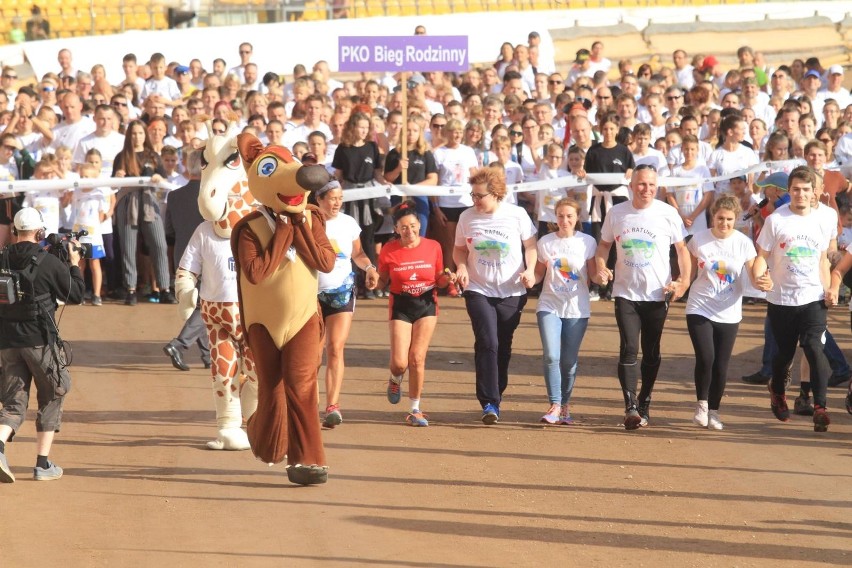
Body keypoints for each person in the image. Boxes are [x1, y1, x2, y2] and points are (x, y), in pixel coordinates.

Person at [593, 165, 690, 430]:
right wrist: (601, 267)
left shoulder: (668, 214)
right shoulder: (617, 213)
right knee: (628, 348)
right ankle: (630, 406)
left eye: (651, 185)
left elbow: (682, 251)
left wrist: (683, 281)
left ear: (657, 186)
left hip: (658, 295)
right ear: (631, 185)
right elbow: (603, 247)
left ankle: (645, 399)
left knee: (652, 351)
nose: (646, 189)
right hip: (626, 293)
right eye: (641, 184)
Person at [0, 207, 85, 483]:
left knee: (13, 403)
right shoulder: (48, 262)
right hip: (40, 342)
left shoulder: (1, 258)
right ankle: (42, 463)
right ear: (40, 232)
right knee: (55, 391)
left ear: (14, 231)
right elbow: (75, 295)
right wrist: (73, 263)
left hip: (7, 341)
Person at [752, 166, 833, 432]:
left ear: (813, 194)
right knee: (784, 352)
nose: (800, 194)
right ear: (790, 191)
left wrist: (829, 289)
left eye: (806, 190)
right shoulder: (776, 220)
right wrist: (760, 278)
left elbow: (822, 260)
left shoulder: (822, 220)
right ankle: (777, 391)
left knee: (813, 346)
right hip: (782, 298)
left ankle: (820, 407)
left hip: (812, 296)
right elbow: (761, 257)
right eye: (796, 189)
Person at [453, 167, 537, 424]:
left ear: (497, 194)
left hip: (512, 289)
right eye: (473, 195)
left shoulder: (517, 214)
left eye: (479, 196)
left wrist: (531, 270)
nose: (474, 200)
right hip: (478, 288)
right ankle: (489, 401)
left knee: (503, 344)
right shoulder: (467, 217)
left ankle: (496, 392)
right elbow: (458, 250)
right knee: (487, 341)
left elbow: (531, 246)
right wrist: (462, 266)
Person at [371, 201, 454, 427]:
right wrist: (373, 281)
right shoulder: (389, 249)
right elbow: (382, 282)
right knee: (399, 363)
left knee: (416, 357)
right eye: (404, 227)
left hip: (427, 304)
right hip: (401, 305)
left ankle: (415, 409)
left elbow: (439, 277)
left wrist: (447, 279)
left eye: (413, 225)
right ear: (396, 229)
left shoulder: (433, 246)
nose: (409, 231)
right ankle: (395, 378)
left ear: (420, 225)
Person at [686, 195, 757, 430]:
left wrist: (762, 281)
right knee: (706, 357)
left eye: (728, 219)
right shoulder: (698, 240)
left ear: (735, 219)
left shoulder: (743, 243)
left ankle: (714, 411)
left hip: (729, 311)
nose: (724, 223)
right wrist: (679, 283)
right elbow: (687, 269)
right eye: (720, 218)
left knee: (721, 364)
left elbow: (754, 272)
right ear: (712, 217)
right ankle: (702, 405)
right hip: (700, 306)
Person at [315, 180, 378, 428]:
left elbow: (358, 254)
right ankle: (307, 403)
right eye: (332, 198)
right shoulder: (308, 223)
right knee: (312, 352)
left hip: (341, 292)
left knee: (335, 347)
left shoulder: (348, 223)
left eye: (340, 198)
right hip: (311, 295)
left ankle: (332, 406)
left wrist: (370, 268)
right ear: (319, 200)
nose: (337, 203)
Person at [533, 198, 596, 425]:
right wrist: (530, 277)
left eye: (569, 216)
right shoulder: (546, 242)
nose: (564, 220)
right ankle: (555, 404)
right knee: (551, 355)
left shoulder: (587, 242)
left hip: (577, 308)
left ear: (577, 218)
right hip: (549, 304)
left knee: (568, 362)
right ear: (555, 217)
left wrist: (604, 276)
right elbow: (538, 274)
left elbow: (594, 275)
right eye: (560, 215)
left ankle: (565, 406)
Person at [112, 120, 174, 306]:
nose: (137, 137)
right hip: (128, 202)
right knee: (128, 247)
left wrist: (157, 177)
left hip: (148, 202)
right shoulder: (122, 156)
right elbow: (114, 182)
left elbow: (163, 177)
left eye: (140, 133)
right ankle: (130, 289)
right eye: (133, 133)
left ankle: (164, 288)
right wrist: (118, 177)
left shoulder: (152, 155)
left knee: (159, 244)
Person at [162, 149, 210, 371]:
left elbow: (168, 230)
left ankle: (208, 355)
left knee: (198, 305)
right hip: (207, 257)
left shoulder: (174, 195)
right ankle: (179, 344)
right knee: (205, 305)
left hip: (182, 256)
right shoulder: (213, 195)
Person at [382, 118, 438, 236]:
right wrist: (398, 169)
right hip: (399, 198)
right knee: (401, 233)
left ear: (420, 133)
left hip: (420, 197)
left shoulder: (425, 153)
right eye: (408, 130)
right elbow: (388, 178)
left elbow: (433, 179)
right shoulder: (394, 153)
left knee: (419, 233)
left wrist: (412, 188)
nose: (411, 133)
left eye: (415, 130)